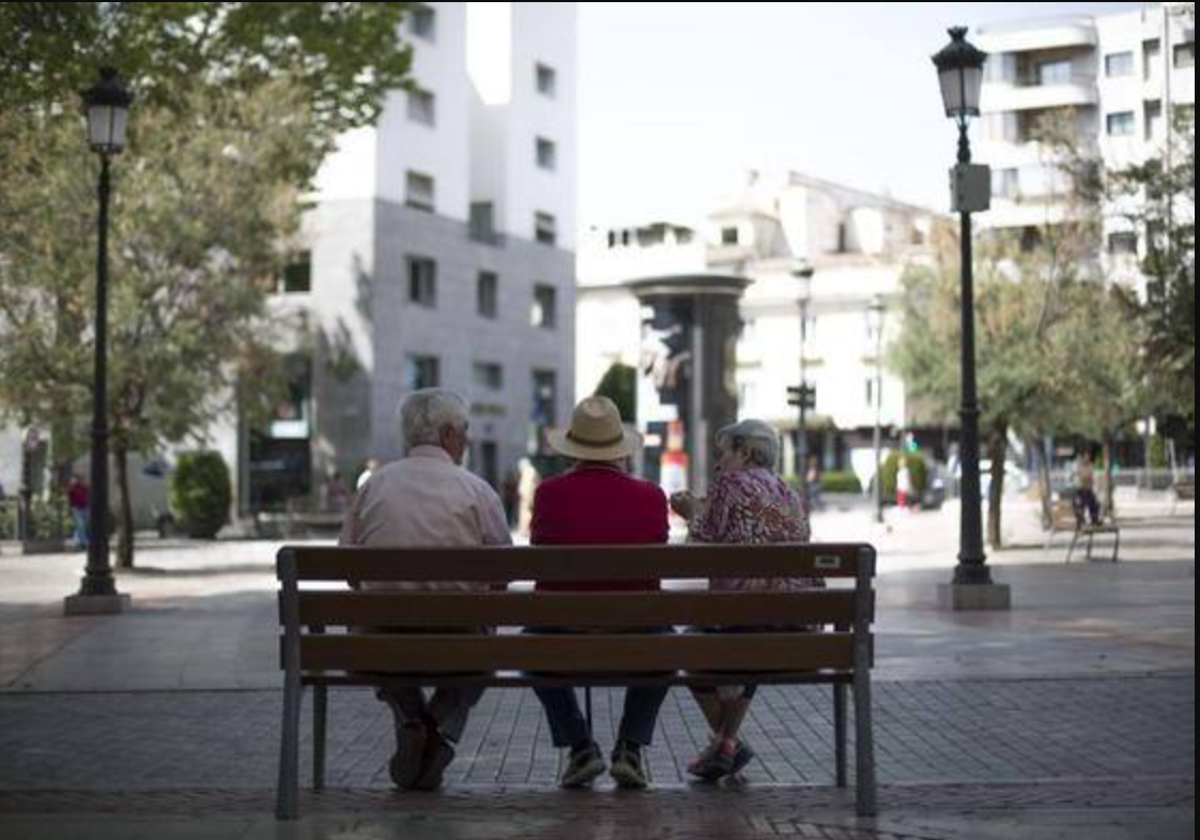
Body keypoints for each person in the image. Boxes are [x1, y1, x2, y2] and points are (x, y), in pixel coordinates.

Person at [339, 388, 512, 792]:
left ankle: (411, 719)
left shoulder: (373, 487)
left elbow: (349, 570)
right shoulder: (478, 491)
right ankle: (438, 729)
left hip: (380, 644)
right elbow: (502, 573)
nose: (467, 439)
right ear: (449, 433)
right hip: (461, 643)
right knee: (483, 647)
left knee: (371, 627)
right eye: (465, 430)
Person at [528, 395, 670, 790]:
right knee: (668, 645)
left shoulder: (548, 494)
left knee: (528, 647)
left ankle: (580, 748)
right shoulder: (651, 496)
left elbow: (541, 547)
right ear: (619, 451)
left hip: (560, 633)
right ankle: (629, 748)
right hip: (637, 634)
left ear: (574, 449)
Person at [670, 419, 815, 782]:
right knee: (752, 639)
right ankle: (727, 743)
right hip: (797, 622)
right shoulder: (789, 493)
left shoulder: (729, 484)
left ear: (745, 452)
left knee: (681, 647)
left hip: (742, 616)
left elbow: (696, 551)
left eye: (724, 454)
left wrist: (691, 514)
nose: (720, 465)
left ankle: (726, 740)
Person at [1075, 451, 1102, 525]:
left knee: (1095, 504)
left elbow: (1092, 478)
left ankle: (1094, 519)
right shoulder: (1079, 466)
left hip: (1089, 489)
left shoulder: (1091, 465)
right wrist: (1087, 478)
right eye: (1086, 456)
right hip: (1081, 490)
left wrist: (1088, 478)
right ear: (1083, 457)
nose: (1087, 458)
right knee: (1080, 505)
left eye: (1088, 456)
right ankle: (1081, 520)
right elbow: (1082, 477)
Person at [66, 474, 90, 550]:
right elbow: (69, 494)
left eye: (82, 479)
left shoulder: (84, 487)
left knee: (83, 525)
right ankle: (84, 543)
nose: (81, 480)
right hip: (76, 508)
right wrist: (72, 485)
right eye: (79, 479)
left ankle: (77, 540)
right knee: (80, 524)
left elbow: (88, 495)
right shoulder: (73, 487)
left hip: (85, 508)